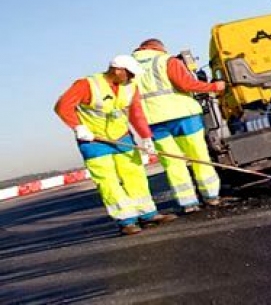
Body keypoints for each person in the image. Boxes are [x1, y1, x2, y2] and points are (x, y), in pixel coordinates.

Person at [54, 55, 178, 235]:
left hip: (122, 137)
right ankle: (126, 221)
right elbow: (62, 106)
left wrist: (146, 137)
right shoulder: (86, 85)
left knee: (135, 175)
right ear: (117, 70)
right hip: (94, 141)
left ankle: (148, 214)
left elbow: (136, 113)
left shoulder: (130, 87)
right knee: (108, 181)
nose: (132, 78)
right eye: (129, 74)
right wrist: (78, 127)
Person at [133, 38, 226, 213]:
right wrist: (214, 86)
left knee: (172, 162)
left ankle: (188, 202)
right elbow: (186, 84)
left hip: (153, 121)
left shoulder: (128, 68)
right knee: (198, 156)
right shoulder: (165, 60)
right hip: (183, 116)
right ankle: (211, 196)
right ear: (159, 48)